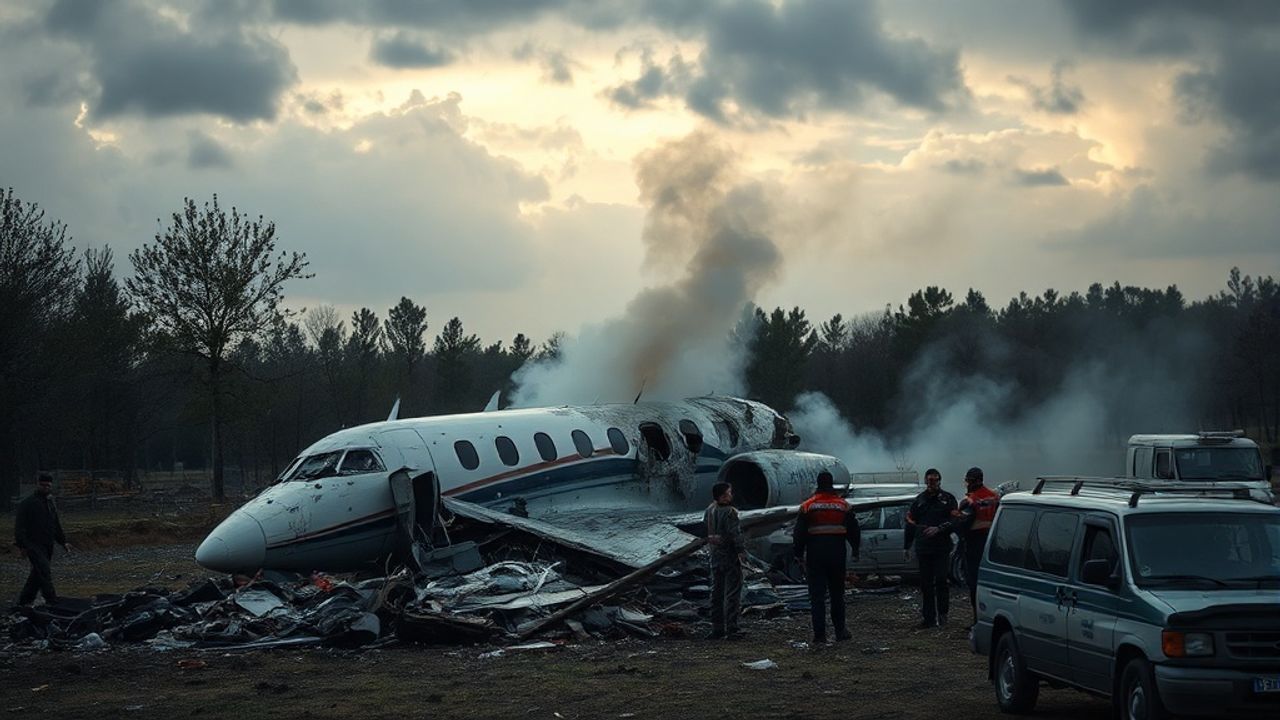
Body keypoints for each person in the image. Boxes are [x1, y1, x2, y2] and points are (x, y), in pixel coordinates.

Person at [793, 471, 860, 643]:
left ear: (817, 483)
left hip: (815, 555)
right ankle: (840, 631)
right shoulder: (843, 505)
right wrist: (856, 549)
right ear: (832, 484)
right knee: (837, 594)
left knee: (817, 597)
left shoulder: (808, 506)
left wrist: (798, 554)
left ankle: (820, 635)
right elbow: (854, 530)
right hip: (837, 554)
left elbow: (799, 533)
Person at [904, 468, 958, 629]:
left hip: (941, 547)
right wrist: (906, 546)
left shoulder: (948, 499)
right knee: (925, 584)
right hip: (924, 547)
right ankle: (928, 618)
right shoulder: (919, 501)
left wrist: (939, 529)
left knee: (941, 581)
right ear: (926, 481)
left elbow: (956, 521)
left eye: (935, 480)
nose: (932, 483)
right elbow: (910, 523)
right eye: (929, 481)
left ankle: (943, 616)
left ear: (939, 481)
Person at [13, 473, 71, 608]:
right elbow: (19, 527)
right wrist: (22, 545)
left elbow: (55, 524)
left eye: (48, 486)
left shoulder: (50, 503)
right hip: (32, 544)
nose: (45, 488)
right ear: (37, 484)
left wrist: (63, 542)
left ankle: (24, 601)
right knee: (44, 570)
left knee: (37, 573)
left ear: (51, 486)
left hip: (47, 544)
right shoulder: (27, 504)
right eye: (43, 485)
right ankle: (52, 600)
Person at [954, 466, 999, 624]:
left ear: (972, 481)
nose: (966, 484)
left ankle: (978, 620)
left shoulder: (969, 500)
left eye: (968, 481)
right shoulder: (995, 496)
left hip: (974, 544)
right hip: (993, 544)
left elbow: (961, 524)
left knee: (974, 584)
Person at [703, 482, 744, 640]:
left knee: (716, 592)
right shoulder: (730, 512)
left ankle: (717, 628)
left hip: (715, 556)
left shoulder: (709, 510)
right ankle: (732, 628)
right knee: (732, 592)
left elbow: (704, 530)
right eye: (729, 493)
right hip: (729, 556)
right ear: (722, 496)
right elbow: (735, 534)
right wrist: (740, 551)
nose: (731, 495)